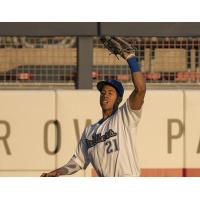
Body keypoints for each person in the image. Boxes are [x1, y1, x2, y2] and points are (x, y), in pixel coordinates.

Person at [41, 37, 146, 177]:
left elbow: (140, 89)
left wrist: (131, 59)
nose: (105, 95)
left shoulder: (125, 117)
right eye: (103, 92)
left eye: (110, 92)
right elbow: (77, 162)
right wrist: (58, 172)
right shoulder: (90, 131)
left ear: (119, 98)